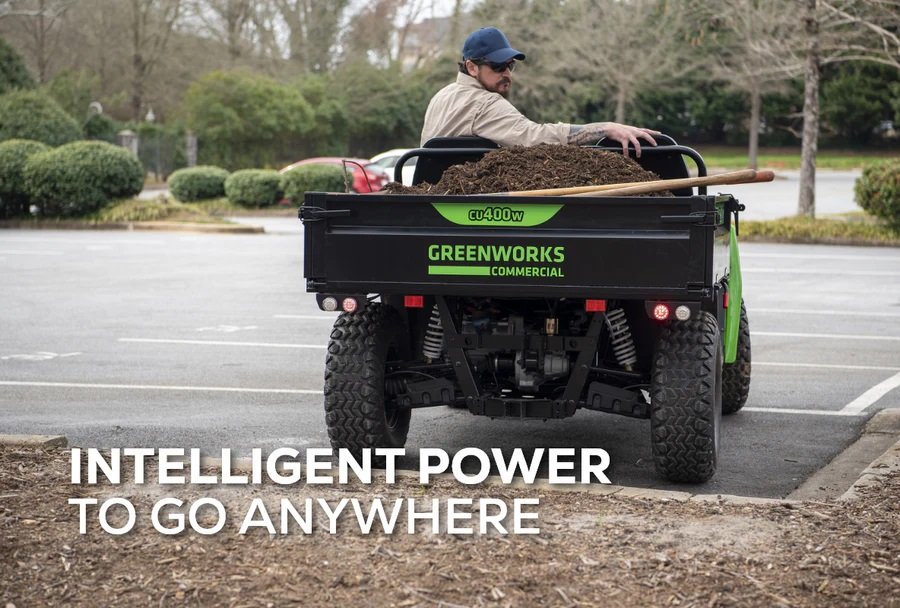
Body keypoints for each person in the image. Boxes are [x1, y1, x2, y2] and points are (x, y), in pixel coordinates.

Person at [421, 26, 660, 156]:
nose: (507, 73)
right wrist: (605, 128)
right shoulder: (485, 103)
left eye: (510, 66)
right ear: (472, 67)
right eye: (498, 66)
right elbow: (535, 138)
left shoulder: (441, 96)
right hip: (469, 206)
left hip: (430, 202)